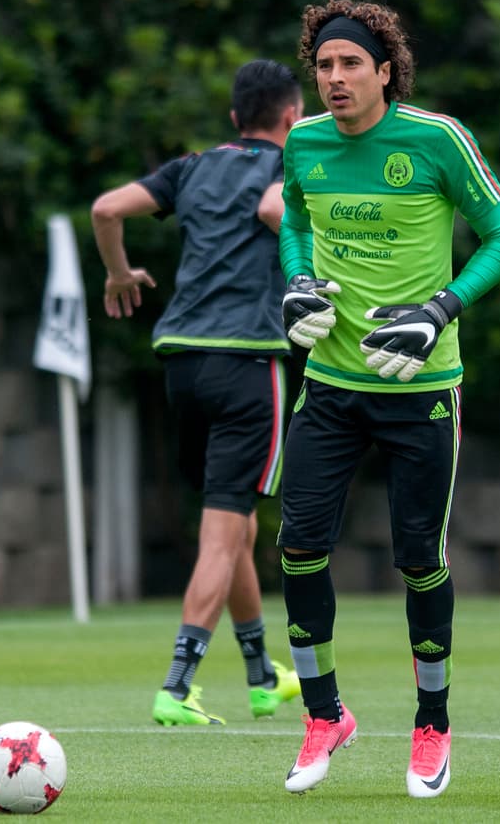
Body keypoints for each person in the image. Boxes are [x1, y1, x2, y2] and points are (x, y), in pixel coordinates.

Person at [276, 0, 500, 798]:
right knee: (298, 546)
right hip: (332, 386)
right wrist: (298, 280)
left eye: (350, 64)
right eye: (323, 66)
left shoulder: (438, 139)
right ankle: (325, 713)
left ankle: (432, 723)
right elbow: (294, 222)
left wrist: (440, 309)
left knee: (420, 557)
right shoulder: (305, 143)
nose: (335, 79)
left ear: (385, 71)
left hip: (422, 389)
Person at [90, 59, 306, 726]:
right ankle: (178, 683)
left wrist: (120, 272)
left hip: (182, 359)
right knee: (224, 530)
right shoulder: (294, 165)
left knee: (230, 520)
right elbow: (275, 212)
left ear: (236, 118)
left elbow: (106, 209)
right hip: (248, 361)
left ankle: (262, 675)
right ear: (292, 118)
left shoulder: (192, 166)